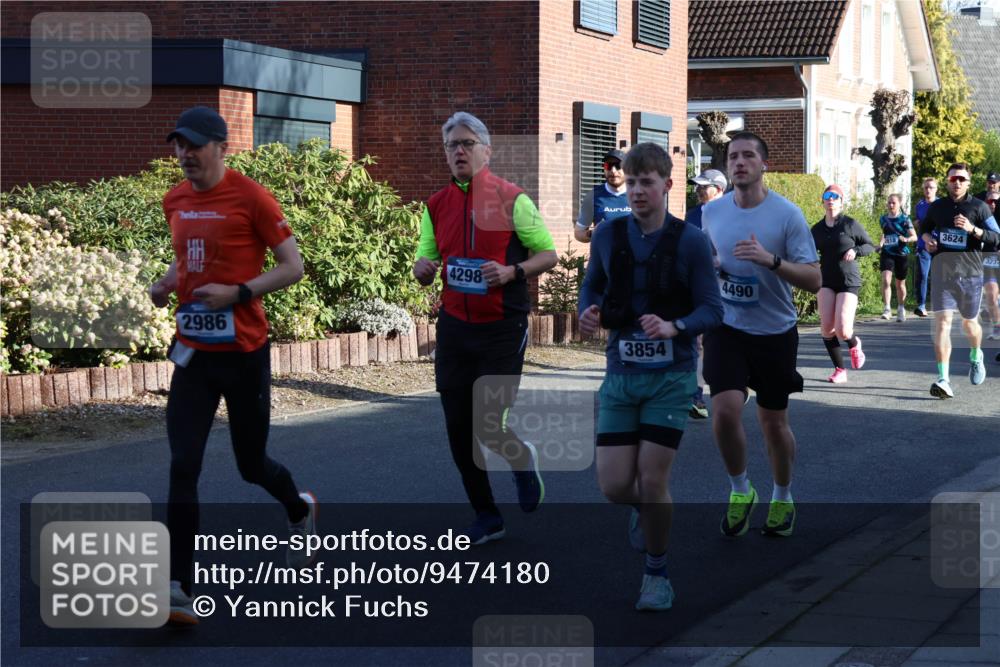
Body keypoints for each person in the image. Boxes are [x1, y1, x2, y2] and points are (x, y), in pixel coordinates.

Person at [149, 106, 315, 625]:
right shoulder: (174, 199)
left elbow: (293, 267)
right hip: (194, 357)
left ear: (222, 147)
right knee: (183, 465)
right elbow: (189, 259)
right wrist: (167, 284)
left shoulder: (251, 197)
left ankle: (299, 506)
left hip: (244, 355)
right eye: (179, 145)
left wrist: (241, 292)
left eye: (195, 145)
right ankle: (177, 586)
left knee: (250, 465)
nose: (185, 155)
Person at [578, 142, 723, 611]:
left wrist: (675, 325)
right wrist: (587, 313)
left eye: (647, 182)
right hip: (620, 375)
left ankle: (656, 573)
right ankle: (644, 512)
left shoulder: (692, 241)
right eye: (632, 181)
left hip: (671, 377)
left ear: (667, 185)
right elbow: (592, 286)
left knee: (653, 477)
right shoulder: (607, 236)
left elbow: (713, 310)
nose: (638, 190)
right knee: (615, 486)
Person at [413, 111, 557, 544]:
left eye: (467, 144)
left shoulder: (514, 199)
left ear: (486, 151)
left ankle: (520, 459)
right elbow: (427, 259)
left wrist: (512, 271)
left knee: (488, 423)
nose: (458, 151)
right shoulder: (435, 205)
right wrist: (422, 268)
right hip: (455, 327)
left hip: (502, 327)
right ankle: (487, 515)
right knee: (459, 429)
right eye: (451, 145)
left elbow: (548, 254)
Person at [701, 131, 821, 539]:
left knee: (773, 423)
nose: (739, 162)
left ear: (763, 164)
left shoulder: (786, 215)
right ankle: (740, 491)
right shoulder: (712, 213)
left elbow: (814, 278)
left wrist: (771, 261)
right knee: (724, 412)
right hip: (727, 327)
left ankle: (783, 496)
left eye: (748, 155)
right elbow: (704, 261)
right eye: (733, 156)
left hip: (774, 331)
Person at [919, 162, 1000, 398]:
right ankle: (943, 379)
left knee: (969, 324)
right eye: (953, 179)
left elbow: (996, 236)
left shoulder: (979, 207)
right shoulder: (938, 207)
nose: (957, 183)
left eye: (961, 179)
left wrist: (973, 229)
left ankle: (976, 354)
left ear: (968, 182)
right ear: (947, 181)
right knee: (942, 324)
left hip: (971, 275)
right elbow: (924, 228)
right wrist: (927, 239)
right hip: (943, 273)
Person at [810, 184, 875, 383]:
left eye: (835, 196)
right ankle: (840, 370)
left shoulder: (850, 224)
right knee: (827, 329)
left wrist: (855, 251)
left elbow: (870, 245)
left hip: (848, 280)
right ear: (823, 201)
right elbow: (807, 251)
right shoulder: (817, 229)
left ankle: (854, 343)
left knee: (843, 330)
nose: (831, 199)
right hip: (826, 280)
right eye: (827, 196)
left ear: (841, 202)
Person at [685, 169, 728, 418]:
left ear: (719, 189)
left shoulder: (733, 214)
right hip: (699, 285)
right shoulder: (692, 214)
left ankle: (735, 380)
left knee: (724, 340)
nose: (699, 190)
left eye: (704, 186)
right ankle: (696, 398)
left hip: (729, 287)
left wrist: (720, 259)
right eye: (697, 187)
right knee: (698, 341)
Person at [574, 148, 630, 243]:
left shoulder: (639, 194)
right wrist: (592, 234)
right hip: (604, 256)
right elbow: (579, 233)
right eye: (608, 166)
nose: (613, 170)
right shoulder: (593, 196)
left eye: (618, 166)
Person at [878, 193, 918, 322]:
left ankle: (901, 307)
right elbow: (884, 234)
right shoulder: (883, 219)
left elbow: (914, 236)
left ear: (899, 204)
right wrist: (880, 244)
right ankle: (887, 308)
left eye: (893, 203)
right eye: (889, 202)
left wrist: (906, 239)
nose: (890, 205)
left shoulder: (905, 219)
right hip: (887, 252)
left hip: (901, 252)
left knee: (900, 283)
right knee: (885, 279)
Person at [913, 177, 938, 317]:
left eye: (931, 187)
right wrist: (916, 222)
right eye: (926, 187)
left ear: (936, 189)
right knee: (923, 275)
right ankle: (921, 305)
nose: (928, 190)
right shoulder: (920, 205)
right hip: (923, 245)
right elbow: (917, 219)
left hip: (939, 245)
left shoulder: (941, 204)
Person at [982, 192, 1000, 341]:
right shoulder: (981, 218)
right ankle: (997, 326)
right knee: (991, 294)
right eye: (989, 201)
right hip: (988, 259)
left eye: (995, 201)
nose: (992, 203)